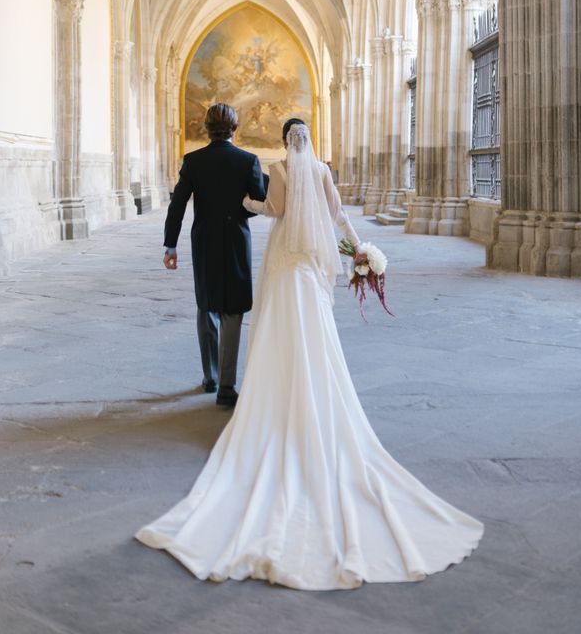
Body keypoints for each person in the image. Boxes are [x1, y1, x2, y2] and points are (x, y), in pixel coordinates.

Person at [138, 119, 483, 589]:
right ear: (308, 140)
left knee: (271, 325)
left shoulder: (278, 168)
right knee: (316, 334)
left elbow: (274, 208)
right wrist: (360, 249)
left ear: (285, 141)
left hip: (285, 260)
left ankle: (252, 390)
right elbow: (337, 214)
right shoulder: (320, 169)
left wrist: (246, 203)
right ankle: (314, 393)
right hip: (313, 265)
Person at [162, 102, 265, 407]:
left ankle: (209, 376)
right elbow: (258, 202)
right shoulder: (248, 161)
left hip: (203, 240)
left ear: (205, 128)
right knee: (233, 309)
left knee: (206, 305)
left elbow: (177, 204)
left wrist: (170, 244)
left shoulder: (193, 161)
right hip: (235, 239)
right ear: (236, 127)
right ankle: (227, 384)